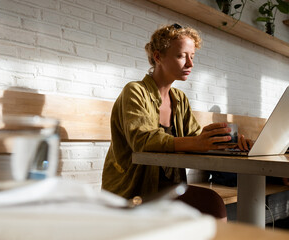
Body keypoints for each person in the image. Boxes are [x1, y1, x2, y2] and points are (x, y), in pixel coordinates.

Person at [102, 23, 253, 220]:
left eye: (192, 56)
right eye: (181, 56)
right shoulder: (135, 91)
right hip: (133, 191)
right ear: (158, 57)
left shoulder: (179, 98)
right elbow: (142, 140)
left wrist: (228, 142)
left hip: (168, 189)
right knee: (210, 204)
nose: (190, 64)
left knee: (212, 203)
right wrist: (197, 142)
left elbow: (194, 137)